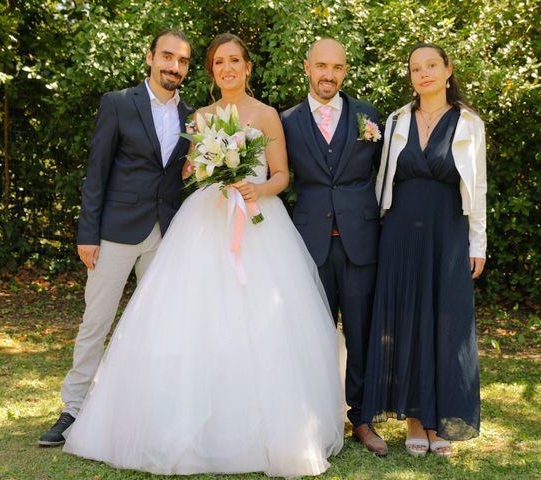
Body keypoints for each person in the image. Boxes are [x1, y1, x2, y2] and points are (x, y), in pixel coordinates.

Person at [61, 33, 345, 477]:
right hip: (204, 222)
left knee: (260, 323)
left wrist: (258, 188)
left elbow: (282, 175)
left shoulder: (268, 114)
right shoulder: (199, 117)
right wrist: (206, 168)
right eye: (218, 62)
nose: (227, 68)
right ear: (211, 71)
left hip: (257, 223)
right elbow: (189, 171)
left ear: (248, 67)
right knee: (188, 319)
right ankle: (132, 412)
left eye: (234, 60)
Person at [38, 29, 194, 447]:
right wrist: (88, 233)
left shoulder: (193, 117)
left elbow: (183, 173)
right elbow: (97, 173)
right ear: (150, 57)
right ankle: (73, 408)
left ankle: (149, 407)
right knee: (96, 320)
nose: (173, 66)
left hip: (165, 233)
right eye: (167, 57)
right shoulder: (118, 103)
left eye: (181, 61)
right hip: (115, 233)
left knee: (159, 324)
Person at [361, 42, 487, 457]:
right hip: (400, 230)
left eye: (432, 65)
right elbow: (383, 180)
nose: (424, 73)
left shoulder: (469, 122)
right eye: (416, 68)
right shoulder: (397, 119)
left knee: (446, 320)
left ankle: (439, 422)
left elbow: (479, 187)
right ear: (411, 76)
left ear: (448, 69)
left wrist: (478, 243)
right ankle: (414, 418)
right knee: (406, 318)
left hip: (448, 231)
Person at [281, 38, 387, 456]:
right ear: (307, 67)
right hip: (308, 244)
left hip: (361, 242)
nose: (329, 74)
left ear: (345, 71)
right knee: (312, 335)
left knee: (361, 334)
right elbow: (277, 175)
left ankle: (361, 417)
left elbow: (385, 176)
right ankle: (315, 417)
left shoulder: (368, 115)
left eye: (337, 67)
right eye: (321, 66)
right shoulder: (285, 120)